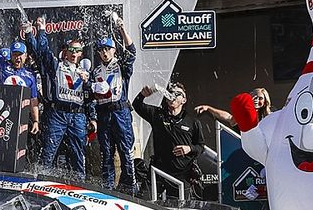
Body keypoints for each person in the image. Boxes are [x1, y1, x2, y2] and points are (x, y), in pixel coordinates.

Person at [28, 19, 94, 178]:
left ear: (80, 54)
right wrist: (42, 30)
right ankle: (43, 182)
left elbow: (90, 97)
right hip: (57, 114)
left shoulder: (84, 72)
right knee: (49, 151)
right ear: (66, 51)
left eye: (76, 50)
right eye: (70, 49)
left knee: (78, 154)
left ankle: (80, 183)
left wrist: (92, 117)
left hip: (77, 115)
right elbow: (43, 51)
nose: (73, 53)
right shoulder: (56, 65)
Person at [133, 83, 205, 200]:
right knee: (144, 202)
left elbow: (201, 147)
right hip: (158, 171)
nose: (173, 96)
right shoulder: (158, 115)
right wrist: (142, 95)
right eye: (171, 93)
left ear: (184, 100)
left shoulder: (193, 122)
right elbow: (137, 105)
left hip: (181, 174)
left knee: (180, 209)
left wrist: (189, 149)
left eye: (178, 94)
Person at [90, 15, 137, 194]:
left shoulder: (122, 65)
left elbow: (132, 51)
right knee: (106, 153)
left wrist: (122, 29)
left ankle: (130, 188)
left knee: (126, 151)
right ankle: (108, 188)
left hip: (120, 113)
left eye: (108, 49)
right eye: (101, 50)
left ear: (114, 49)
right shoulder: (95, 71)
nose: (104, 53)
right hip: (103, 114)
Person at [0, 26, 41, 135]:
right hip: (1, 110)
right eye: (14, 54)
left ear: (25, 56)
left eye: (20, 55)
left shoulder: (30, 75)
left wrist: (36, 121)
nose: (17, 58)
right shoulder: (3, 63)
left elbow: (33, 100)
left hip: (20, 113)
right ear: (10, 55)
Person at [196, 87, 273, 127]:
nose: (256, 100)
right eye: (254, 97)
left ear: (265, 101)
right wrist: (208, 108)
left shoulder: (271, 115)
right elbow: (229, 117)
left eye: (260, 98)